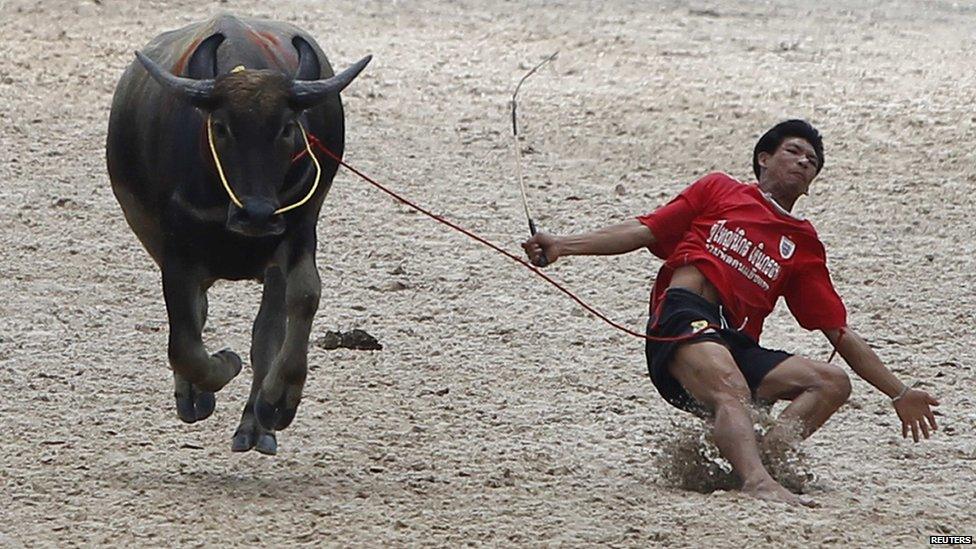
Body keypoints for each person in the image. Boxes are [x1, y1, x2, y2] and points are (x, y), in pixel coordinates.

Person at [521, 120, 940, 506]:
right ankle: (756, 482)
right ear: (764, 158)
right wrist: (563, 245)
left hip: (734, 339)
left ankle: (764, 463)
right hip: (683, 316)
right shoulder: (720, 190)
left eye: (811, 161)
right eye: (794, 151)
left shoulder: (802, 243)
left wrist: (899, 393)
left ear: (811, 183)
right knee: (731, 385)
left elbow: (838, 332)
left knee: (831, 382)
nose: (803, 162)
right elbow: (644, 230)